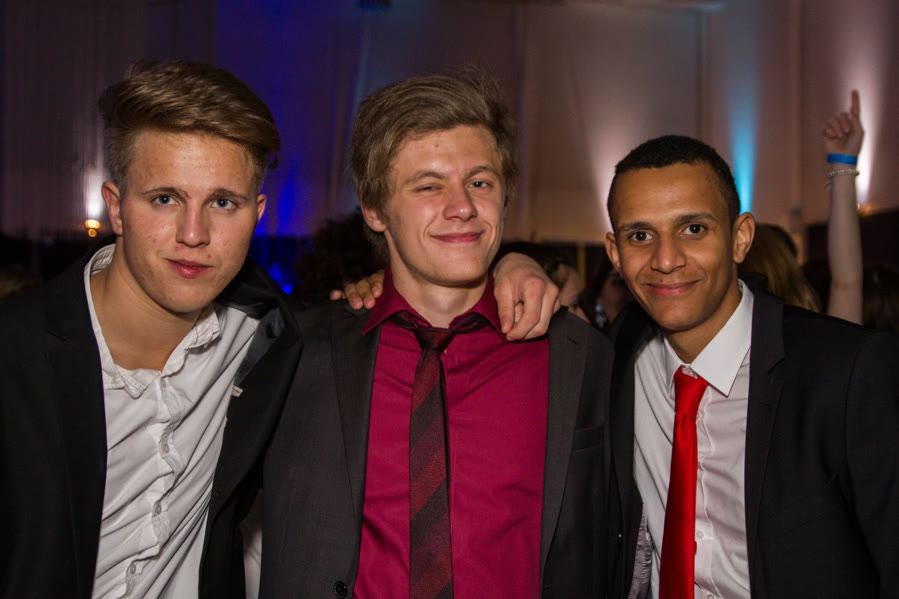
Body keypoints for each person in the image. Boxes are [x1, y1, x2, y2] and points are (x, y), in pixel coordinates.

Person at [493, 134, 898, 597]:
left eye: (693, 229)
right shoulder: (617, 355)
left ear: (740, 238)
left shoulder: (844, 373)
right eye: (640, 236)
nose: (666, 260)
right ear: (615, 253)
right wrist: (512, 263)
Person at [260, 71, 613, 598]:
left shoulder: (580, 358)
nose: (463, 206)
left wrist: (520, 261)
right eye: (429, 186)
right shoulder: (297, 353)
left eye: (480, 182)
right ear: (374, 209)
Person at [0, 60, 302, 598]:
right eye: (165, 198)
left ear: (256, 214)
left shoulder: (271, 338)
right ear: (116, 208)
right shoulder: (14, 354)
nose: (194, 233)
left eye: (222, 203)